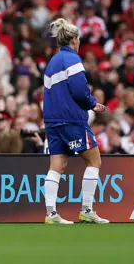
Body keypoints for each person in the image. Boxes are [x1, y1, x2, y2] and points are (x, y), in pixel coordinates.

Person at [42, 18, 109, 225]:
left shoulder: (52, 62)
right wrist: (92, 103)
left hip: (52, 121)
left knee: (57, 165)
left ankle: (51, 214)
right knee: (94, 160)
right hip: (72, 120)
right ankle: (87, 209)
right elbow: (80, 90)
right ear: (74, 40)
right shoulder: (73, 60)